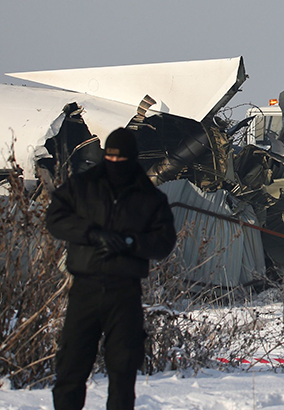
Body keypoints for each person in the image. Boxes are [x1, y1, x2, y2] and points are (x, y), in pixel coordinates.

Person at [46, 128, 176, 410]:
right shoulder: (82, 185)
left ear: (132, 158)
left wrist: (130, 243)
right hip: (85, 287)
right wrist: (92, 234)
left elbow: (163, 242)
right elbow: (55, 219)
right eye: (110, 157)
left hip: (124, 291)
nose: (115, 163)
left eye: (121, 158)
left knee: (123, 368)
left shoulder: (149, 197)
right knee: (71, 366)